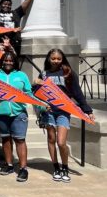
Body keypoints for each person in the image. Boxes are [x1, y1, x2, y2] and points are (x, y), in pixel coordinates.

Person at [34, 49, 94, 183]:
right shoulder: (44, 74)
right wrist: (35, 84)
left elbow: (77, 92)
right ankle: (56, 167)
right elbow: (37, 93)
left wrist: (87, 110)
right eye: (53, 58)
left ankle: (65, 167)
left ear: (62, 59)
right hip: (48, 111)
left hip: (63, 111)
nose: (55, 61)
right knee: (51, 139)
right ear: (48, 59)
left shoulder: (68, 73)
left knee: (61, 142)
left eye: (58, 59)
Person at [0, 52, 35, 182]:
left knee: (20, 140)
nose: (8, 63)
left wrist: (37, 104)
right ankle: (9, 165)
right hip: (1, 113)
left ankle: (23, 168)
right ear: (1, 61)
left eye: (11, 61)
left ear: (14, 62)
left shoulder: (22, 75)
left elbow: (28, 92)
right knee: (5, 139)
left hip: (19, 113)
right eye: (5, 60)